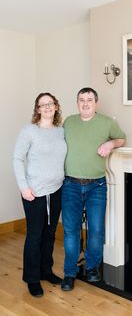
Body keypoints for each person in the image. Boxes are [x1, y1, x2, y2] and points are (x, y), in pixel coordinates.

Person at [61, 87, 126, 291]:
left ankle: (92, 268)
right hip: (70, 185)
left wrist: (111, 144)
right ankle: (69, 273)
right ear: (77, 102)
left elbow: (122, 139)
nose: (85, 103)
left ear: (96, 103)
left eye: (89, 99)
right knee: (71, 231)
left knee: (96, 231)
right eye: (82, 99)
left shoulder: (107, 122)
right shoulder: (68, 122)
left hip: (96, 185)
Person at [13, 93, 67, 297]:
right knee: (35, 236)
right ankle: (32, 278)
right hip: (33, 192)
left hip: (56, 190)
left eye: (50, 104)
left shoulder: (61, 131)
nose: (46, 107)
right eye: (42, 105)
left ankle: (46, 271)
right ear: (37, 109)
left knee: (50, 234)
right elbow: (17, 158)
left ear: (55, 107)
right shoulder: (29, 131)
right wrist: (23, 187)